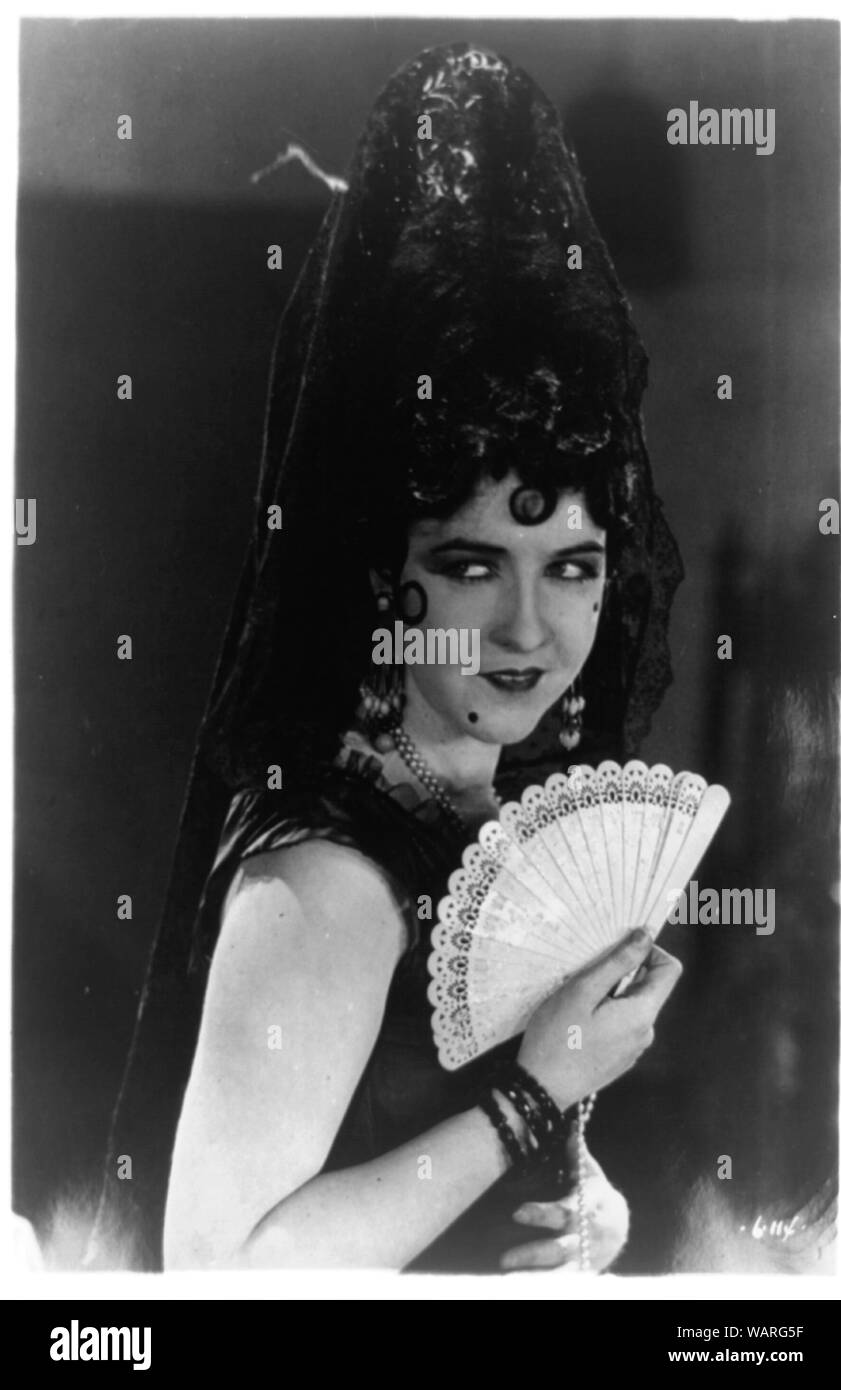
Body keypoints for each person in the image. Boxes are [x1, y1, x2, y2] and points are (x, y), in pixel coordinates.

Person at [87, 42, 684, 1275]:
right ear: (383, 575)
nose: (530, 628)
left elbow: (411, 1152)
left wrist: (580, 1195)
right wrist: (530, 1099)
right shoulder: (326, 882)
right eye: (474, 565)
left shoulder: (478, 813)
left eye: (571, 566)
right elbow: (224, 1272)